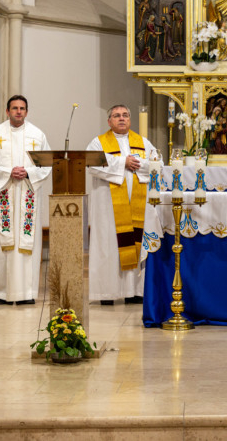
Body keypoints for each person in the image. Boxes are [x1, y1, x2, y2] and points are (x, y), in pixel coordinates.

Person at [0, 95, 51, 305]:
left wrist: (28, 172)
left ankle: (27, 293)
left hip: (28, 194)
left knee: (27, 246)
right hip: (3, 195)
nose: (18, 111)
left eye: (22, 108)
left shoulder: (37, 135)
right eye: (14, 108)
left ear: (26, 112)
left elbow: (47, 164)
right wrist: (8, 172)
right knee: (3, 245)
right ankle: (1, 293)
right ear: (7, 111)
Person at [87, 105, 162, 305]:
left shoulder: (143, 142)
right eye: (117, 115)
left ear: (130, 119)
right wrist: (123, 163)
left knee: (136, 240)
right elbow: (92, 163)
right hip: (108, 206)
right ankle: (107, 293)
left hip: (138, 204)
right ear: (109, 121)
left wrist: (137, 164)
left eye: (125, 115)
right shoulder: (98, 142)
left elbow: (158, 165)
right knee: (109, 244)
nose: (121, 118)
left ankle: (134, 291)